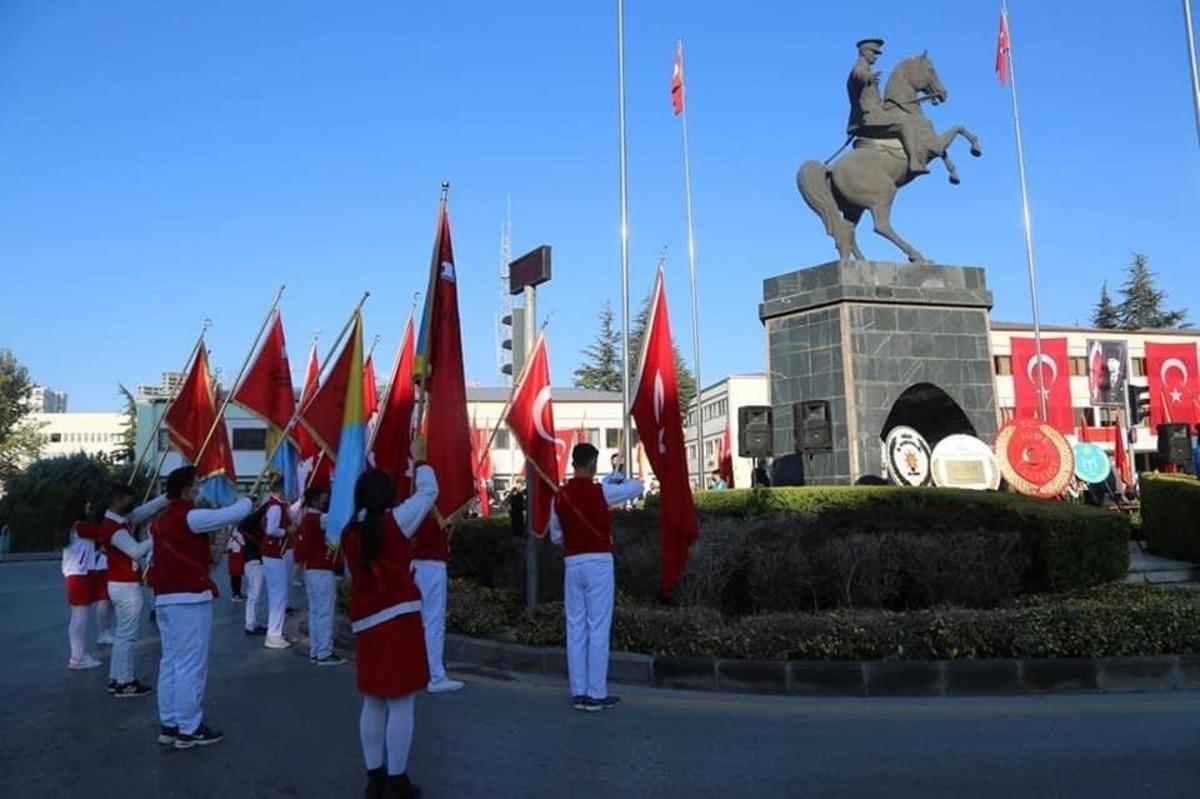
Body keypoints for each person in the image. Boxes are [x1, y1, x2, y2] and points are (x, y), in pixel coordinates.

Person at [341, 440, 438, 799]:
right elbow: (430, 491)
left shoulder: (350, 531)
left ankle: (374, 776)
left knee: (373, 699)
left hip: (367, 622)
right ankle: (397, 777)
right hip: (398, 619)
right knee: (401, 702)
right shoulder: (396, 521)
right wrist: (421, 456)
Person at [146, 466, 252, 750]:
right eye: (197, 484)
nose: (200, 489)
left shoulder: (160, 521)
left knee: (170, 662)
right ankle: (189, 728)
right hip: (189, 599)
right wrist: (246, 501)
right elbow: (227, 515)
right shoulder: (190, 516)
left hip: (166, 599)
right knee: (190, 665)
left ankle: (169, 724)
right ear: (187, 490)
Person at [549, 442, 644, 712]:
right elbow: (637, 487)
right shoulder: (601, 491)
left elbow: (555, 535)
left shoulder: (559, 496)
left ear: (572, 464)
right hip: (599, 562)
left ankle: (578, 691)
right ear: (592, 464)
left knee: (576, 626)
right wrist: (619, 477)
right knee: (598, 627)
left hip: (572, 563)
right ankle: (596, 693)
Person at [95, 483, 167, 697]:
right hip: (125, 585)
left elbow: (145, 510)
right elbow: (135, 551)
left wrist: (166, 498)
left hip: (120, 584)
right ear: (117, 499)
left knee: (122, 635)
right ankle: (125, 681)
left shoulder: (118, 520)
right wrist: (156, 537)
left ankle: (116, 678)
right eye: (128, 499)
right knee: (127, 636)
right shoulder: (114, 528)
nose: (132, 503)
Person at [412, 471, 464, 693]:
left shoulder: (411, 505)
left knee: (417, 620)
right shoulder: (430, 506)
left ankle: (417, 670)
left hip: (414, 566)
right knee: (433, 621)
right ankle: (435, 675)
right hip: (431, 567)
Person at [846, 37, 927, 175]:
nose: (876, 57)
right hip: (869, 118)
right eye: (874, 52)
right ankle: (914, 162)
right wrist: (868, 77)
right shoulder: (860, 68)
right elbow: (858, 75)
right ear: (864, 52)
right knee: (906, 122)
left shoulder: (866, 68)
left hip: (874, 114)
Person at [296, 485, 345, 666]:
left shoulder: (307, 517)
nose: (326, 500)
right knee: (324, 611)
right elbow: (339, 521)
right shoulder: (318, 518)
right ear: (316, 500)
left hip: (312, 569)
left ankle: (316, 649)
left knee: (316, 611)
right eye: (323, 498)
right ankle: (324, 651)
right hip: (321, 570)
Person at [62, 496, 102, 670]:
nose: (88, 509)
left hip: (75, 574)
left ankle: (78, 655)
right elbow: (104, 533)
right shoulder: (81, 526)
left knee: (77, 617)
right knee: (81, 618)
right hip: (80, 575)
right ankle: (77, 657)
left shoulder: (73, 527)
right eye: (86, 506)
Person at [259, 473, 293, 649]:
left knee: (278, 593)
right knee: (278, 594)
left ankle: (275, 631)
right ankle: (273, 634)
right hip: (274, 553)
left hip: (274, 554)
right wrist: (286, 531)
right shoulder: (276, 507)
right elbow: (271, 529)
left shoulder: (278, 505)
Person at [236, 510, 267, 636]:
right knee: (254, 595)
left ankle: (253, 623)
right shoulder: (248, 526)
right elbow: (257, 515)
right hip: (254, 562)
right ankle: (250, 625)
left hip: (254, 561)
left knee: (255, 595)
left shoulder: (249, 527)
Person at [225, 528, 245, 602]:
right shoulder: (236, 528)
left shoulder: (232, 527)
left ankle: (237, 592)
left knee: (237, 574)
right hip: (236, 551)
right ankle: (235, 594)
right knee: (236, 575)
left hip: (236, 551)